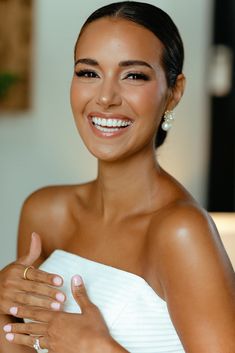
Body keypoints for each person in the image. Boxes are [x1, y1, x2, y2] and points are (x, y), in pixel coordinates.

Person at [0, 1, 234, 352]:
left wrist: (97, 348)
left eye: (134, 75)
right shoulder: (44, 211)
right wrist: (5, 310)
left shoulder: (181, 232)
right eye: (89, 73)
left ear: (174, 92)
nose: (105, 97)